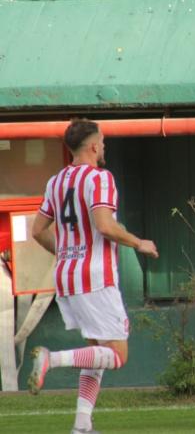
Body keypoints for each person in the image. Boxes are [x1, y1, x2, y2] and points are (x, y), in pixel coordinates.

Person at [28, 119, 159, 434]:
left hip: (67, 277)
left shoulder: (56, 181)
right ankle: (51, 359)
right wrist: (138, 242)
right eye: (102, 141)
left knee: (97, 352)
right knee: (116, 355)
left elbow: (37, 232)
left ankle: (82, 425)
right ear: (93, 146)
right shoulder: (101, 178)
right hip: (95, 277)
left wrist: (66, 253)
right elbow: (104, 225)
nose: (105, 146)